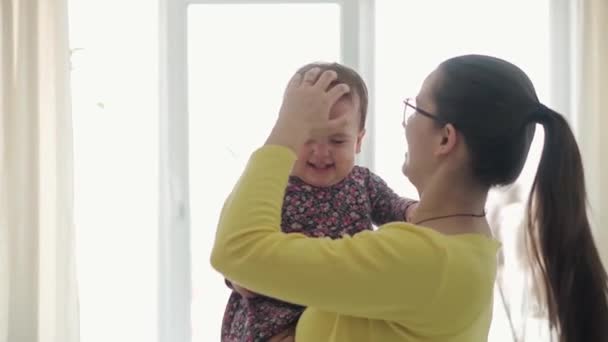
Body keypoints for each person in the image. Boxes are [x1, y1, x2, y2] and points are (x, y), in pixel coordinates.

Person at [211, 55, 608, 341]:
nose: (406, 124)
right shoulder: (457, 247)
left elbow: (236, 249)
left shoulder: (420, 259)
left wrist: (289, 124)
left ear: (445, 138)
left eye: (416, 108)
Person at [220, 62, 417, 342]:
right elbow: (234, 233)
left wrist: (413, 210)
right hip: (275, 311)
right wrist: (235, 277)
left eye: (337, 141)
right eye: (308, 139)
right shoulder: (272, 182)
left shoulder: (363, 182)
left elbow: (395, 207)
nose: (321, 153)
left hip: (339, 308)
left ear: (358, 141)